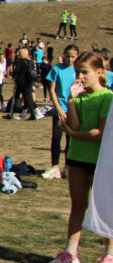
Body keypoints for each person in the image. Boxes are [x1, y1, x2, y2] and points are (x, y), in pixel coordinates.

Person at [48, 52, 113, 263]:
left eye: (84, 72)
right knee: (77, 205)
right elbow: (74, 124)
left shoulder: (107, 97)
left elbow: (99, 132)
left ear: (99, 72)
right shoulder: (79, 98)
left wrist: (74, 134)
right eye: (77, 72)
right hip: (77, 157)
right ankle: (71, 253)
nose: (79, 77)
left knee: (106, 206)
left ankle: (110, 256)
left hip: (101, 160)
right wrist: (72, 101)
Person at [44, 45, 79, 179]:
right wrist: (58, 108)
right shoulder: (57, 69)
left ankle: (68, 167)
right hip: (60, 109)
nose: (70, 59)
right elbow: (52, 90)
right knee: (57, 137)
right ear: (64, 55)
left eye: (73, 57)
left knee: (71, 139)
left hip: (74, 110)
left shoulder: (78, 71)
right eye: (68, 56)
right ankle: (55, 166)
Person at [7, 47, 37, 120]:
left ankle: (11, 114)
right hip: (28, 83)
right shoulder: (29, 62)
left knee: (16, 98)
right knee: (28, 98)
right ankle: (33, 114)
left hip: (20, 82)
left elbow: (16, 71)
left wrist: (13, 75)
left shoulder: (19, 62)